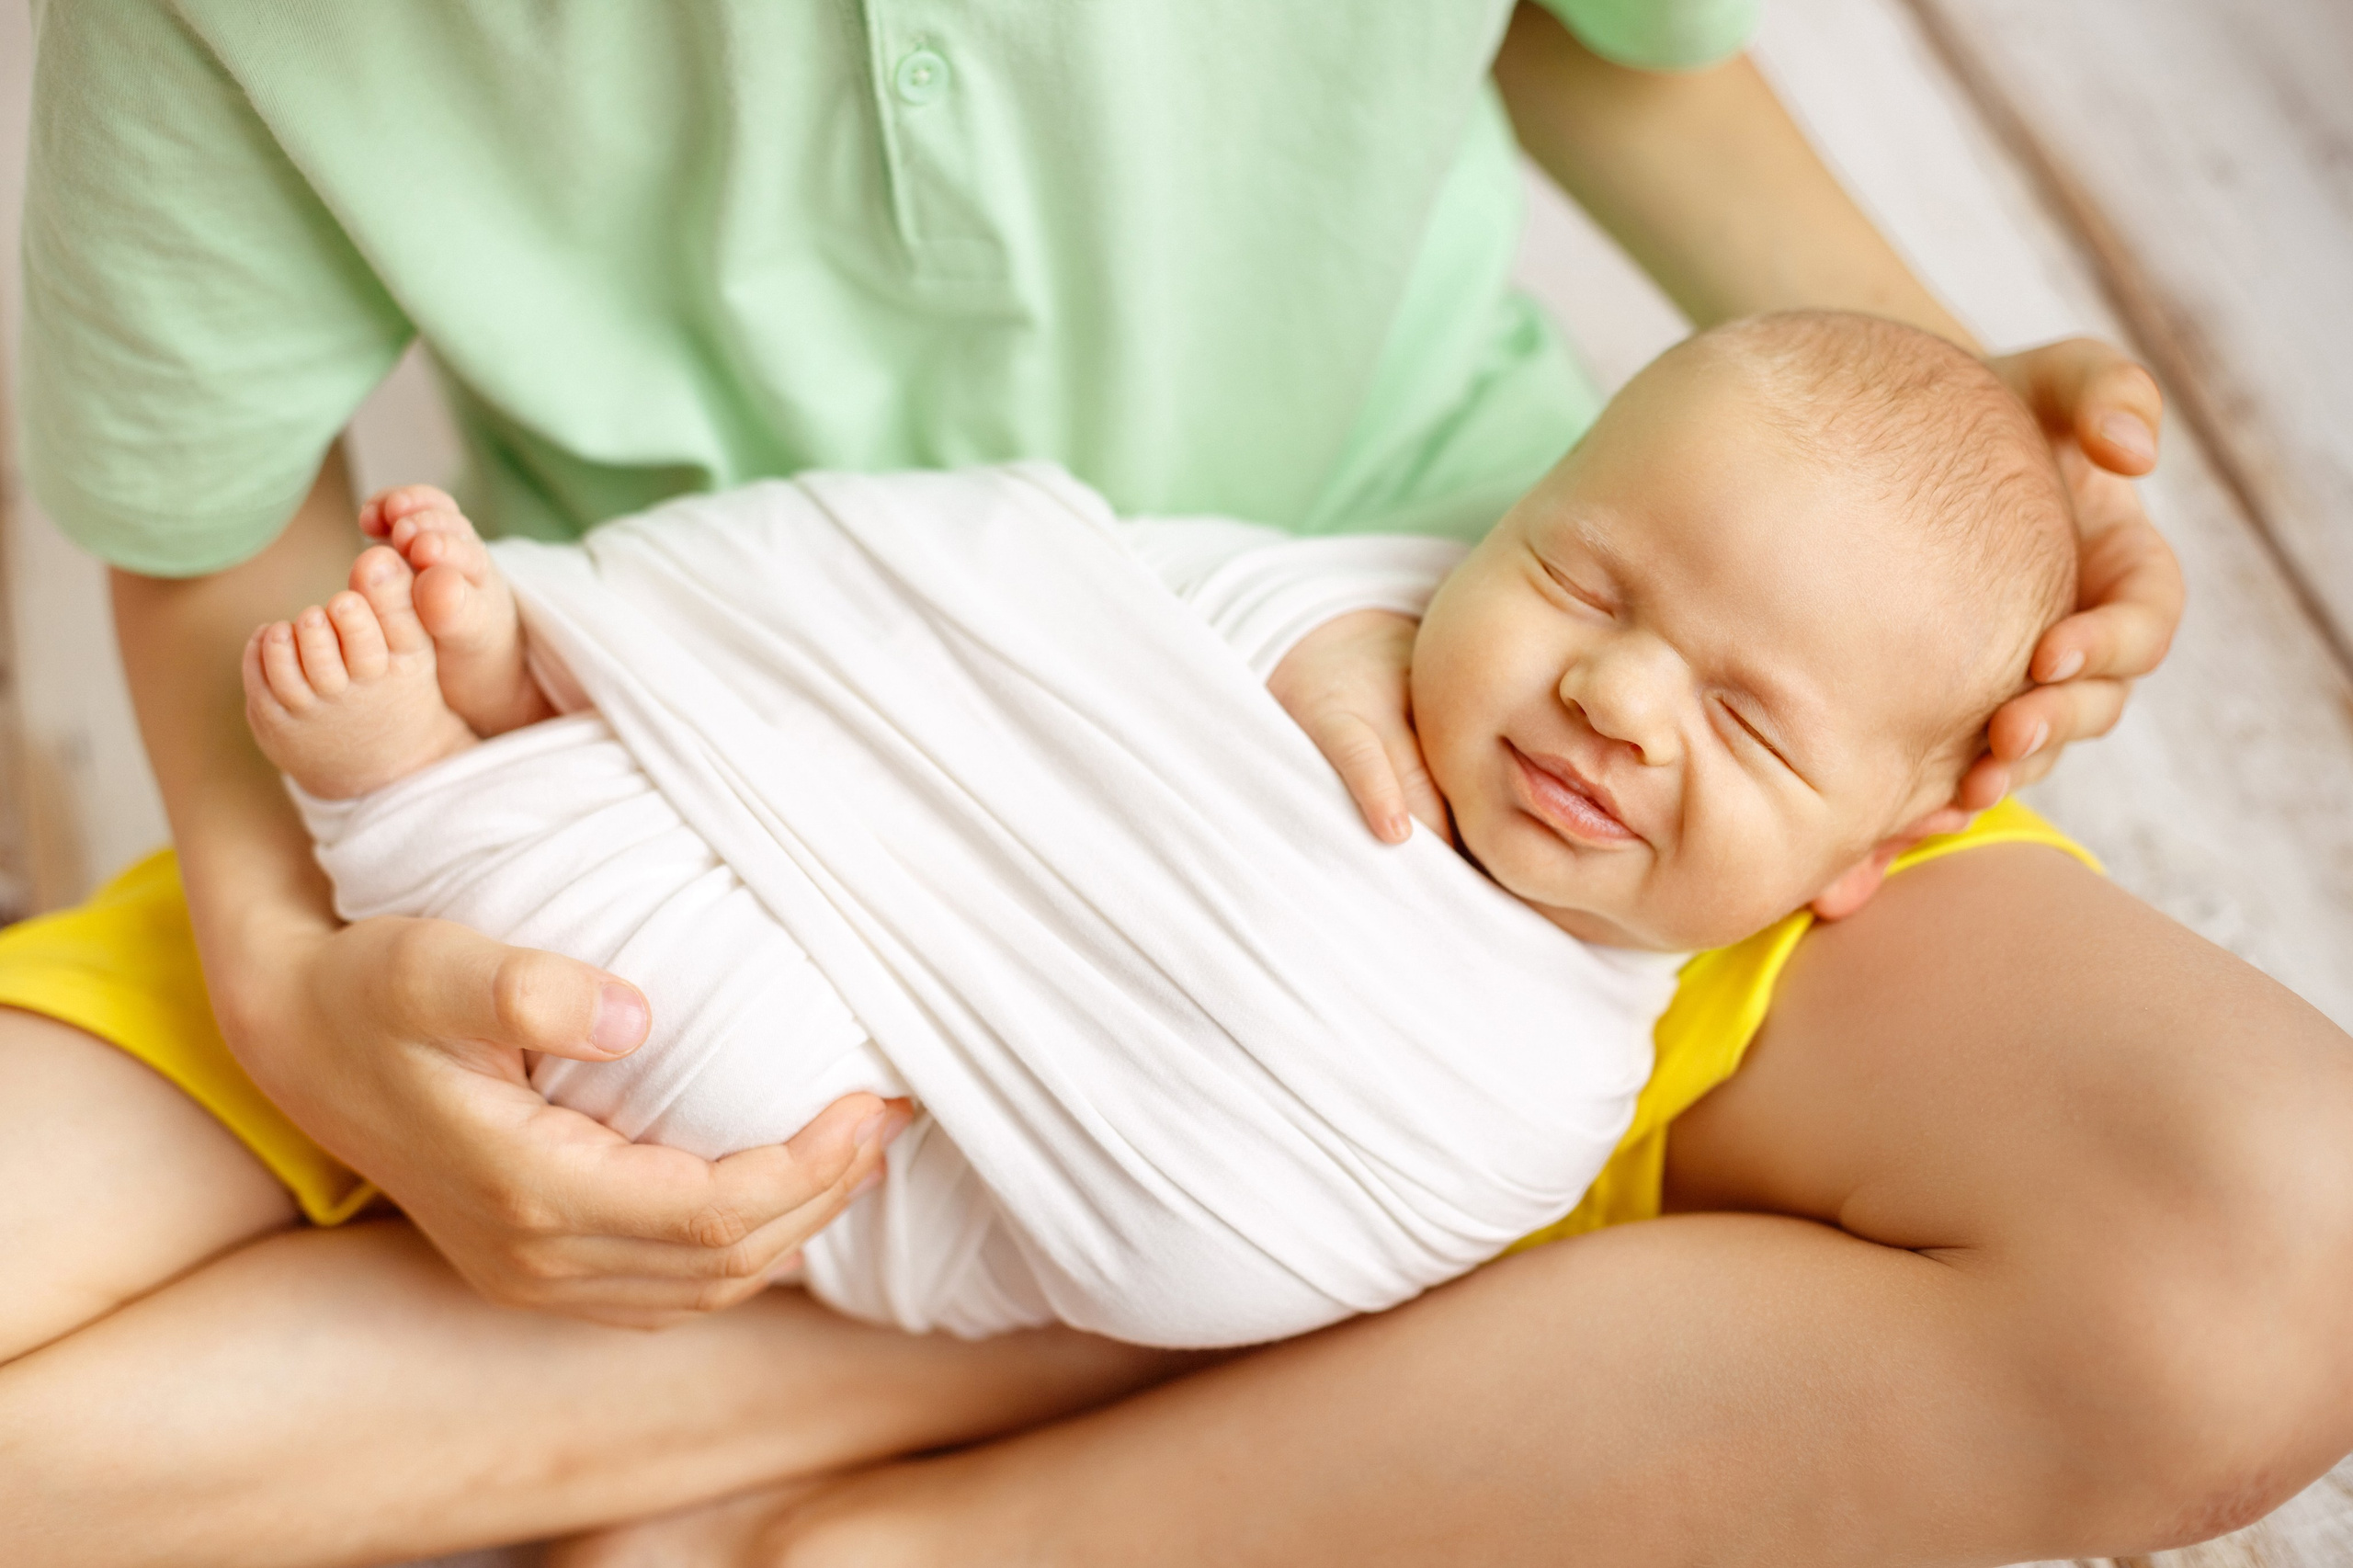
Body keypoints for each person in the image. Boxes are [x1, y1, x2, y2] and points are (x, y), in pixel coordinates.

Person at [1, 3, 2345, 1564]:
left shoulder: (1624, 723)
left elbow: (1616, 47)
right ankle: (1113, 1307)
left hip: (1472, 761)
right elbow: (212, 528)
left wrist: (1957, 458)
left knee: (2275, 1248)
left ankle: (933, 1518)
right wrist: (302, 974)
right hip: (690, 761)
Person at [235, 312, 2075, 1355]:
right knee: (974, 553)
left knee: (700, 1061)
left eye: (1744, 721)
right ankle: (517, 700)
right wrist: (1308, 642)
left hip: (912, 1162)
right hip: (829, 757)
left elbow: (1243, 1222)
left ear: (1865, 852)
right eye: (1579, 580)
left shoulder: (1533, 1084)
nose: (1613, 697)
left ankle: (433, 783)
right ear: (1505, 524)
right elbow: (1039, 603)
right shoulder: (1342, 606)